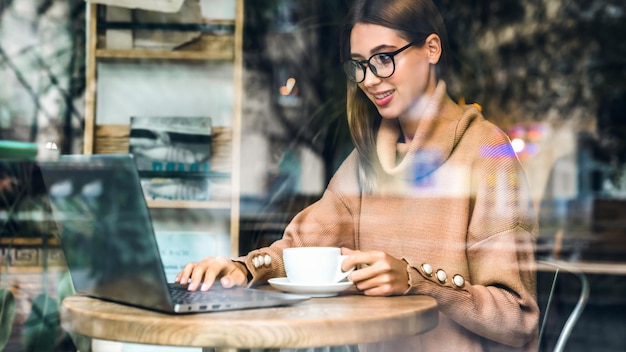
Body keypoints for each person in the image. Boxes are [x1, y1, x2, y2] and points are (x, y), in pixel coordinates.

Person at [176, 0, 539, 350]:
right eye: (359, 64)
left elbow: (517, 319)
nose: (369, 79)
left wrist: (418, 282)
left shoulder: (489, 152)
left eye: (384, 58)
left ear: (431, 49)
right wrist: (242, 268)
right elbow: (304, 247)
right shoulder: (366, 161)